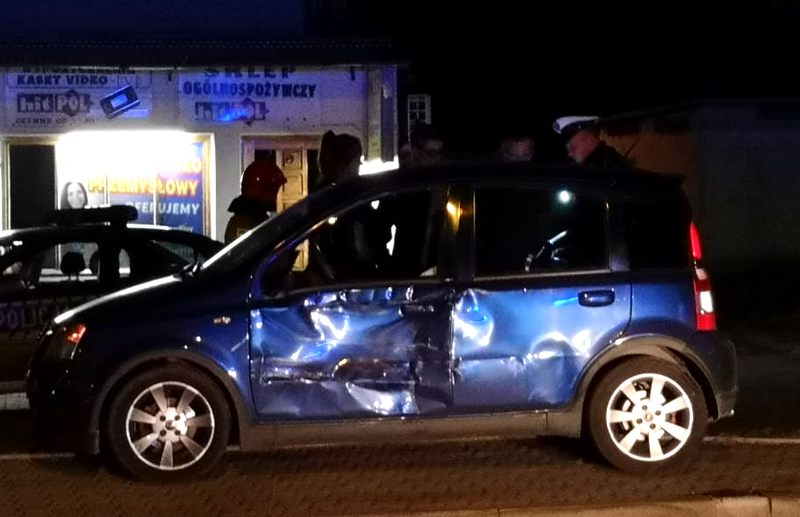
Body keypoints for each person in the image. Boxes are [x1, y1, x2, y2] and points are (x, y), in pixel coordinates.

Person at [223, 160, 287, 243]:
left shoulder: (259, 218)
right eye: (274, 190)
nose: (276, 195)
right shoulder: (243, 223)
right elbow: (246, 249)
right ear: (263, 190)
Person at [553, 115, 631, 168]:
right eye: (572, 148)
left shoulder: (613, 164)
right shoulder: (602, 163)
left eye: (573, 147)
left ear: (589, 140)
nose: (569, 154)